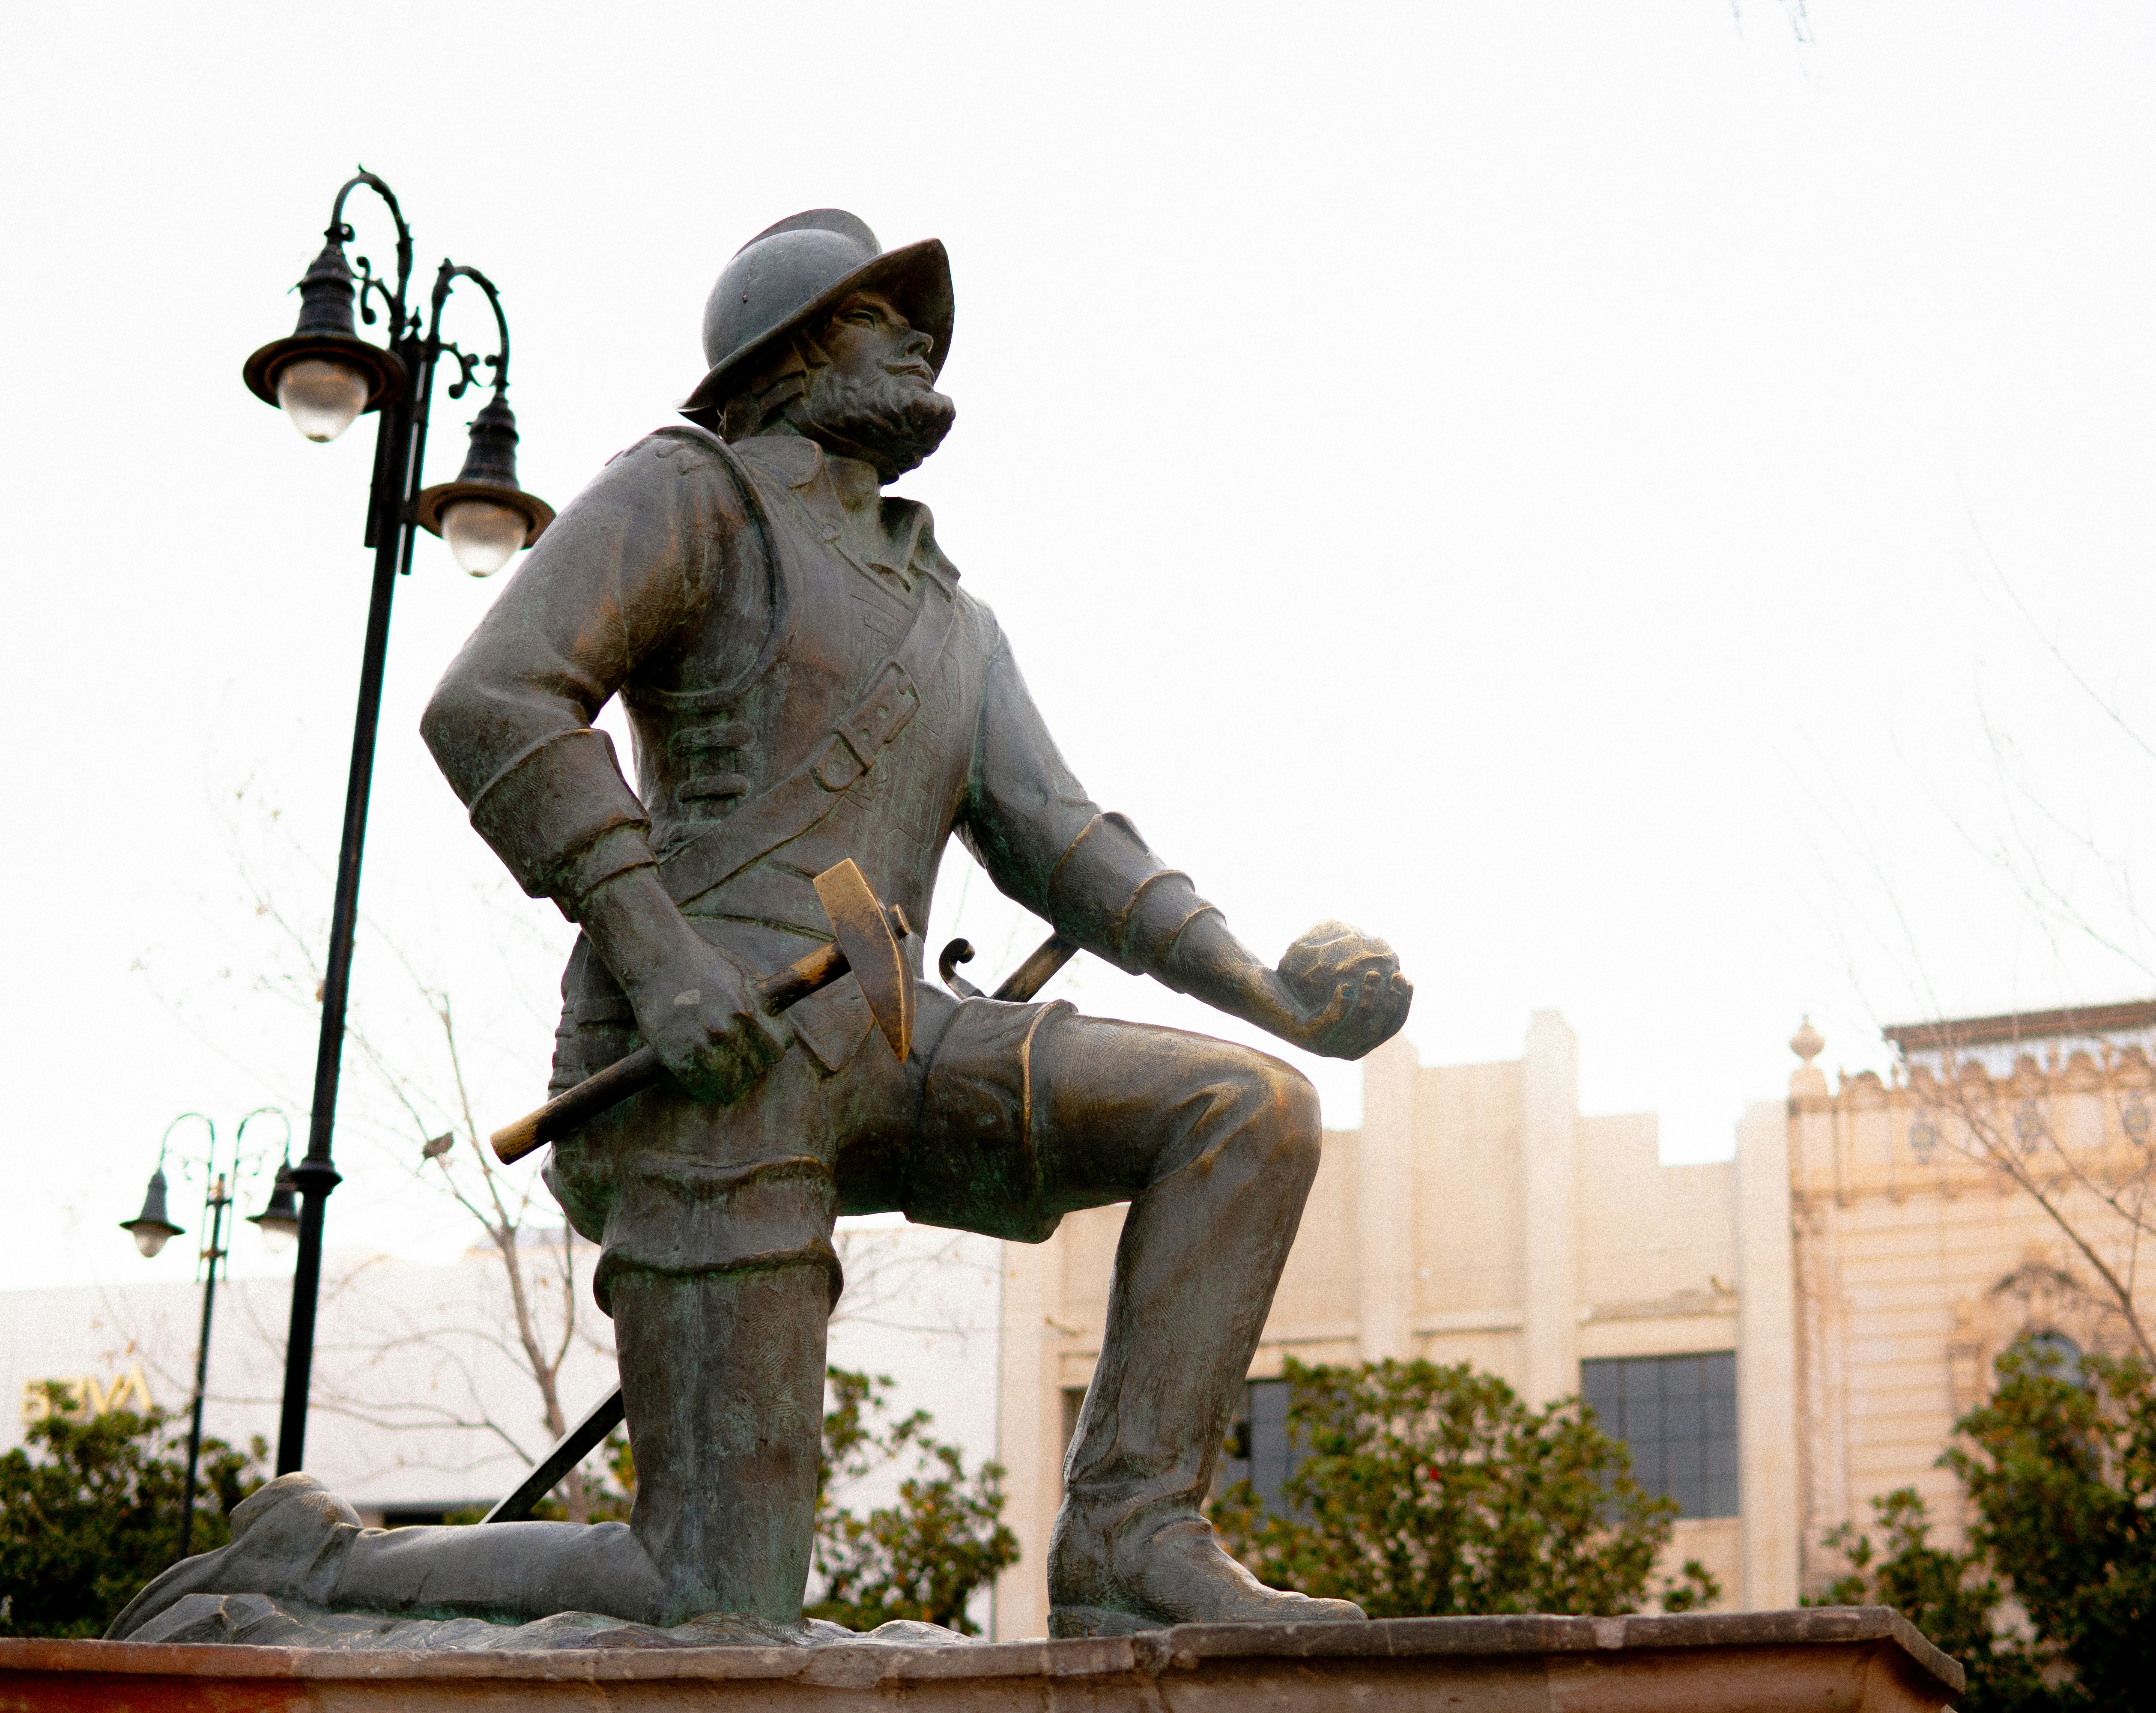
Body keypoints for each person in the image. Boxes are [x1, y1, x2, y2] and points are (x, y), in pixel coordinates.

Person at [110, 209, 1410, 1641]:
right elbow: (493, 701)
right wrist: (656, 951)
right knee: (717, 1585)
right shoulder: (691, 493)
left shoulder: (952, 617)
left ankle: (1129, 1536)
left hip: (894, 1032)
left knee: (1248, 1110)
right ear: (785, 357)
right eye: (881, 318)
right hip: (701, 1058)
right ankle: (325, 1569)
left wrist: (1273, 995)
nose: (923, 341)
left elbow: (1072, 846)